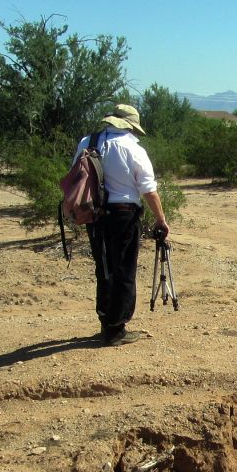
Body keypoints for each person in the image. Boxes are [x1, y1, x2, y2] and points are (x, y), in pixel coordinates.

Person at [75, 103, 170, 346]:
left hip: (94, 215)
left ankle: (106, 321)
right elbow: (148, 188)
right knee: (124, 270)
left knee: (104, 267)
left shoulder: (88, 142)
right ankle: (116, 329)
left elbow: (76, 175)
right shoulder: (132, 148)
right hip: (123, 215)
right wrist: (161, 219)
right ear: (130, 125)